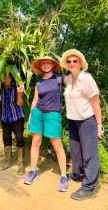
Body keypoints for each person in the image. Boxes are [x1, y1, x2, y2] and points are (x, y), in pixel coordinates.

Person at [60, 49, 104, 200]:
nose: (72, 63)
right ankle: (78, 174)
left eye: (75, 61)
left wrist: (99, 125)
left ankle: (89, 188)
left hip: (87, 121)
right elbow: (55, 79)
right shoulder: (68, 79)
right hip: (73, 120)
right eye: (69, 61)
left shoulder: (86, 79)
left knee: (89, 153)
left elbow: (96, 103)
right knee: (75, 151)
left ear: (80, 64)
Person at [24, 56, 68, 192]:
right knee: (35, 142)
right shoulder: (39, 83)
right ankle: (33, 171)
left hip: (53, 114)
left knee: (57, 145)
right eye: (44, 64)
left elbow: (75, 82)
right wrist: (31, 116)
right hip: (38, 114)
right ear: (41, 67)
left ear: (53, 65)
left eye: (48, 63)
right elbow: (34, 101)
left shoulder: (60, 78)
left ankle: (64, 176)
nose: (46, 65)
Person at [0, 74, 25, 174]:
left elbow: (20, 104)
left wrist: (20, 94)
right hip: (5, 118)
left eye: (8, 77)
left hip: (17, 117)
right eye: (3, 77)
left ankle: (21, 163)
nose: (6, 79)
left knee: (19, 138)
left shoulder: (17, 86)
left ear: (12, 77)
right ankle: (7, 162)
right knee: (6, 138)